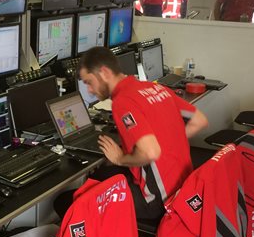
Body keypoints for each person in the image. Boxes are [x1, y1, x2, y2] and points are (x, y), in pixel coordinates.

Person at [55, 47, 209, 221]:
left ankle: (108, 235)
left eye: (89, 82)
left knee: (65, 202)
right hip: (184, 187)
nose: (89, 90)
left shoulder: (123, 102)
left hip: (158, 200)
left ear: (104, 73)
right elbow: (199, 121)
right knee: (101, 175)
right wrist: (166, 141)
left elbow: (150, 153)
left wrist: (120, 158)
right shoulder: (154, 88)